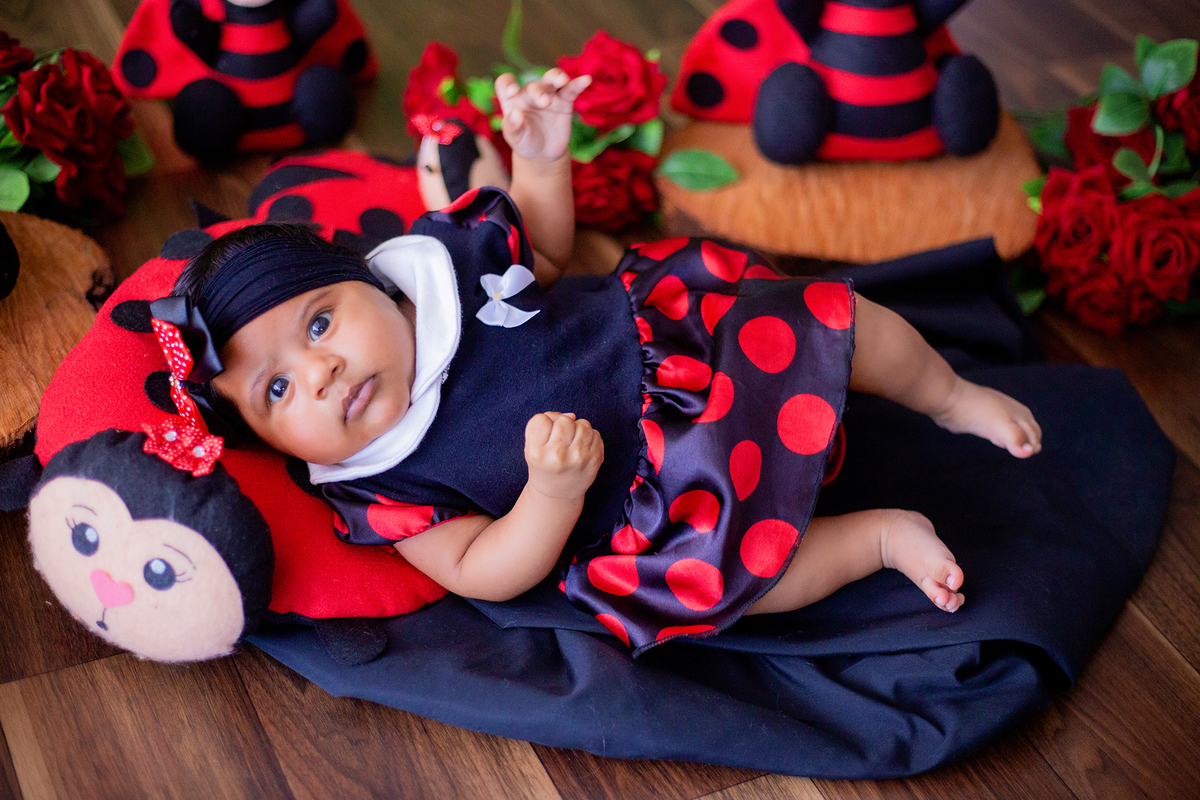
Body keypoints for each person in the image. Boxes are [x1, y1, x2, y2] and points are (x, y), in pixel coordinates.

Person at [160, 69, 1042, 654]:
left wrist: (542, 157)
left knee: (844, 323)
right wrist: (549, 498)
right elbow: (483, 573)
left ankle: (950, 394)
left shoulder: (445, 261)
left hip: (691, 349)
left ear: (365, 282)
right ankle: (877, 539)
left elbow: (541, 248)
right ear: (268, 434)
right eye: (277, 388)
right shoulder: (379, 486)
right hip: (654, 499)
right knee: (735, 589)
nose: (318, 373)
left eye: (319, 324)